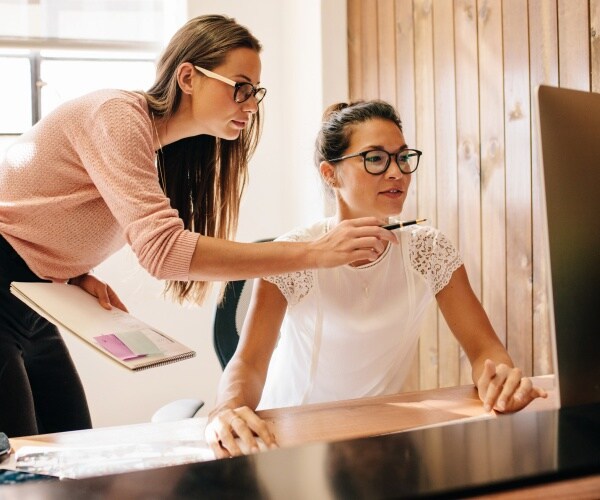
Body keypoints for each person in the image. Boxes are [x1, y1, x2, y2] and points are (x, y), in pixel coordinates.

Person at [0, 16, 395, 438]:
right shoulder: (115, 116)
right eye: (240, 87)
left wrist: (75, 272)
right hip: (9, 291)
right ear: (188, 76)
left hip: (36, 300)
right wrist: (316, 253)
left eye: (255, 92)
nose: (250, 104)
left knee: (69, 453)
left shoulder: (155, 149)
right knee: (18, 470)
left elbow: (43, 209)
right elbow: (165, 253)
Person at [205, 100, 548, 458]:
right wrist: (226, 408)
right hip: (288, 435)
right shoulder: (293, 253)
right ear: (330, 174)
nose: (397, 172)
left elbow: (485, 350)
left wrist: (500, 379)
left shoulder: (429, 251)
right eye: (375, 159)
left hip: (378, 436)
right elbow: (248, 362)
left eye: (402, 157)